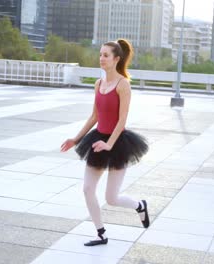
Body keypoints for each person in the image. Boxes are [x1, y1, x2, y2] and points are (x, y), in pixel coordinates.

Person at [60, 39, 149, 247]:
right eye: (100, 54)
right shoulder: (98, 84)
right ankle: (101, 234)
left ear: (116, 59)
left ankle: (140, 206)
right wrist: (76, 138)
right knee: (88, 189)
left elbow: (122, 120)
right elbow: (94, 116)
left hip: (117, 144)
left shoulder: (123, 85)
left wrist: (109, 144)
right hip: (97, 140)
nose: (101, 58)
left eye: (106, 55)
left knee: (112, 198)